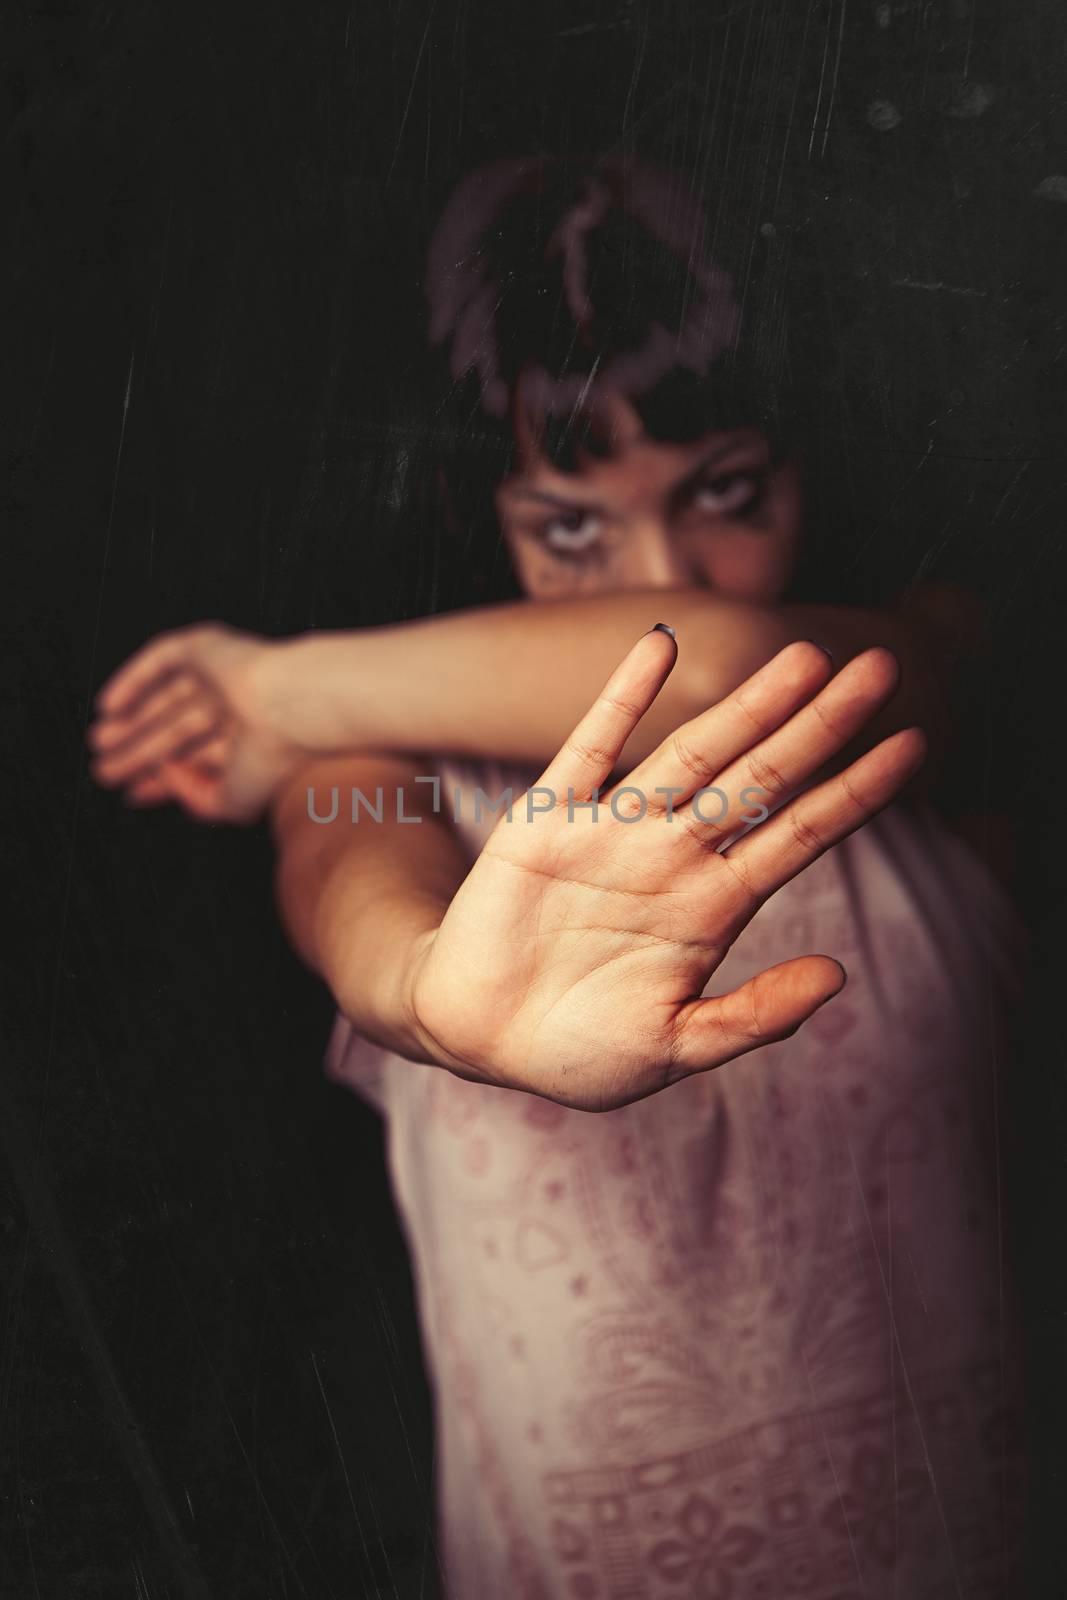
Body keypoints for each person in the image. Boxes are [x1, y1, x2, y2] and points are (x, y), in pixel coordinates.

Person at [88, 153, 1028, 1596]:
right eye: (571, 526)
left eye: (725, 491)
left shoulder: (910, 667)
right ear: (480, 520)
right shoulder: (395, 768)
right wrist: (427, 994)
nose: (664, 572)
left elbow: (719, 667)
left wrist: (279, 688)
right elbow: (364, 909)